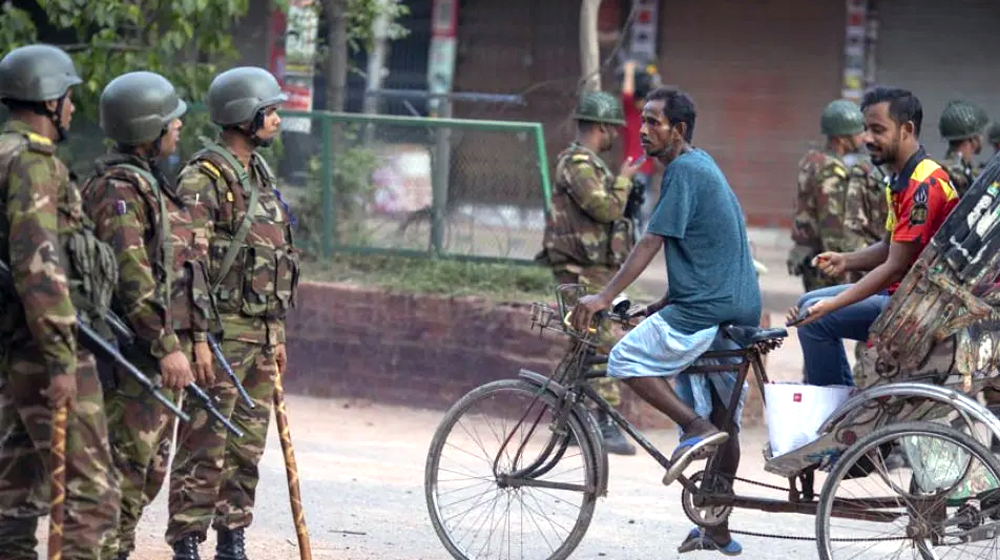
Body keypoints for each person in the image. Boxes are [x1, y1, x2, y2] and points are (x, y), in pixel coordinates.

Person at [570, 86, 761, 555]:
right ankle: (716, 529)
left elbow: (651, 241)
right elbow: (704, 250)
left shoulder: (682, 171)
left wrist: (605, 296)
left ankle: (692, 429)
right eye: (645, 121)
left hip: (707, 308)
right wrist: (659, 305)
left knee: (625, 359)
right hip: (735, 304)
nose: (645, 129)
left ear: (679, 130)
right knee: (726, 423)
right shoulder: (703, 166)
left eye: (655, 122)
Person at [80, 71, 217, 560]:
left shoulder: (147, 184)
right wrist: (167, 346)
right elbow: (130, 276)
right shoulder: (118, 191)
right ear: (148, 128)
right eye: (171, 121)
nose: (179, 127)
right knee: (124, 473)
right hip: (130, 359)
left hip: (147, 359)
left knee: (148, 472)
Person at [165, 66, 300, 560]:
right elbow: (188, 264)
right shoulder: (203, 177)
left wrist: (277, 332)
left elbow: (277, 259)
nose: (278, 119)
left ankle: (232, 535)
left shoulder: (260, 174)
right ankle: (186, 538)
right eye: (271, 110)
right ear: (245, 116)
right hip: (219, 335)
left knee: (246, 446)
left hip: (261, 335)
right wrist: (196, 338)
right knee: (206, 440)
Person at [0, 44, 120, 560]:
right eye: (68, 97)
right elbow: (39, 267)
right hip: (40, 348)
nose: (72, 109)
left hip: (13, 345)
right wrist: (61, 359)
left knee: (14, 489)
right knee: (91, 494)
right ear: (49, 100)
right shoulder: (31, 164)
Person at [791, 87, 959, 387]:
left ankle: (837, 415)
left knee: (815, 320)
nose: (867, 138)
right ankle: (841, 403)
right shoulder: (901, 177)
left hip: (916, 307)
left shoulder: (924, 185)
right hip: (903, 297)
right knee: (808, 303)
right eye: (866, 129)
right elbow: (888, 246)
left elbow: (895, 265)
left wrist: (834, 305)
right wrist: (846, 260)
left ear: (906, 129)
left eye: (877, 130)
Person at [535, 90, 642, 455]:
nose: (615, 134)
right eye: (613, 127)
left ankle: (569, 419)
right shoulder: (579, 164)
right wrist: (624, 179)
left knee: (584, 344)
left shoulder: (589, 163)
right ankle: (602, 421)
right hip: (578, 271)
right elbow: (606, 208)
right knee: (603, 342)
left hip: (592, 269)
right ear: (600, 126)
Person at [788, 99, 874, 292]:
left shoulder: (812, 161)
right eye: (858, 133)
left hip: (809, 254)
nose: (864, 138)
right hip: (825, 262)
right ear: (842, 138)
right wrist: (842, 268)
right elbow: (833, 227)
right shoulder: (832, 172)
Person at [621, 58, 662, 238]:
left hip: (641, 168)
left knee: (638, 209)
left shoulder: (640, 114)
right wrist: (630, 72)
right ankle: (637, 239)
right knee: (639, 208)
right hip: (637, 168)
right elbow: (628, 95)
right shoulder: (638, 113)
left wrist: (630, 71)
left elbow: (628, 94)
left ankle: (637, 239)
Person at [938, 99, 988, 198]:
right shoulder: (955, 174)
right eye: (980, 133)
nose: (982, 138)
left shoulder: (965, 169)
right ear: (973, 138)